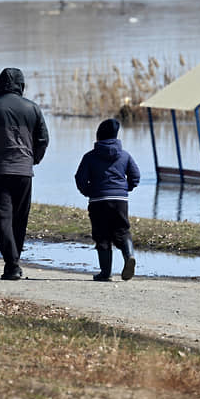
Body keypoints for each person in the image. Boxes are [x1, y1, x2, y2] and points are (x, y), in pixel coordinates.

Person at [0, 68, 49, 280]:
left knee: (2, 218)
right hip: (23, 170)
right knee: (20, 218)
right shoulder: (33, 108)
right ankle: (14, 262)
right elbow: (42, 140)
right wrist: (33, 159)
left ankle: (12, 264)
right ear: (21, 85)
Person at [74, 118, 140, 281]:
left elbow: (80, 178)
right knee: (122, 230)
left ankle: (106, 273)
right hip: (120, 200)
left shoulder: (90, 156)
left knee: (102, 235)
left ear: (98, 136)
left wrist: (89, 192)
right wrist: (126, 188)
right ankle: (129, 255)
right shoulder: (125, 156)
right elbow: (136, 176)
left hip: (98, 201)